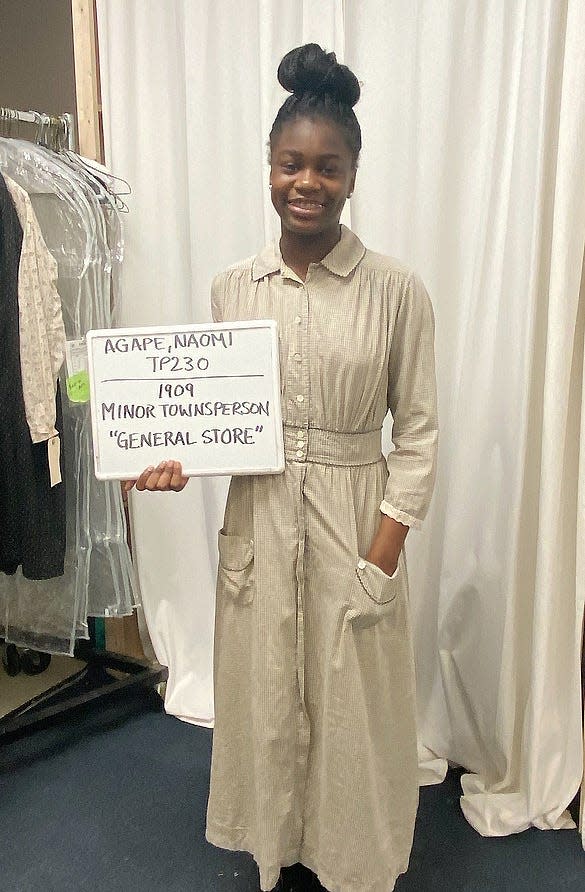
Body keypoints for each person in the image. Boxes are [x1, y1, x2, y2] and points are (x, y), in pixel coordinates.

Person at [127, 43, 438, 892]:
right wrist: (168, 461)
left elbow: (416, 434)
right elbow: (211, 419)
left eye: (326, 168)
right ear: (268, 169)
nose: (306, 182)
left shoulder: (396, 291)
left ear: (352, 175)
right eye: (290, 164)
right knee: (267, 691)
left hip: (352, 517)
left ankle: (353, 855)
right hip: (258, 519)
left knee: (353, 706)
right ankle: (278, 842)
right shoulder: (234, 286)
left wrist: (382, 552)